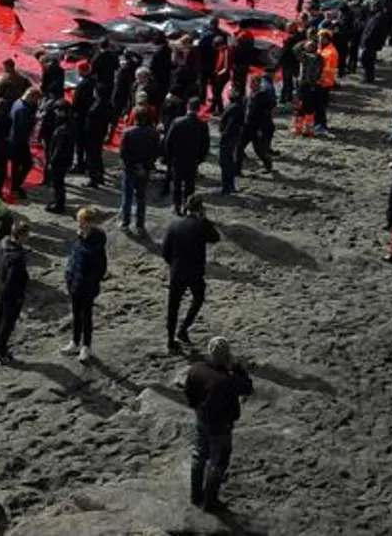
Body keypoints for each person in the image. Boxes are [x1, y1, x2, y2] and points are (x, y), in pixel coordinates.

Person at [184, 338, 253, 513]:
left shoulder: (196, 369)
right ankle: (210, 501)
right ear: (227, 356)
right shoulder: (227, 380)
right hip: (221, 425)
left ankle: (195, 495)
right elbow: (247, 387)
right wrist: (237, 367)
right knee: (218, 462)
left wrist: (198, 408)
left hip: (202, 419)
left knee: (199, 456)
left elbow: (189, 395)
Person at [162, 196, 221, 351]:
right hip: (195, 271)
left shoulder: (174, 225)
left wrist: (173, 264)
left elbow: (165, 252)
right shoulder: (201, 225)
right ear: (200, 209)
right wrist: (206, 220)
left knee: (173, 306)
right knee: (198, 298)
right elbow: (215, 237)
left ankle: (170, 340)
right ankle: (183, 328)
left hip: (177, 271)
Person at [62, 208, 108, 361]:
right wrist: (69, 276)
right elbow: (74, 258)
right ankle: (75, 342)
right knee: (76, 314)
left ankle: (86, 346)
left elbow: (100, 268)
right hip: (74, 283)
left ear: (88, 223)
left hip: (87, 287)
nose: (78, 224)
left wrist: (89, 283)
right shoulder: (80, 237)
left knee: (86, 316)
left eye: (80, 221)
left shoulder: (96, 244)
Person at [0, 219, 31, 364]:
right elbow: (14, 281)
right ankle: (2, 350)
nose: (28, 238)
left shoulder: (2, 242)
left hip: (0, 285)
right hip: (11, 293)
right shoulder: (17, 258)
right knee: (7, 322)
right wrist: (19, 296)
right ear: (20, 236)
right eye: (26, 236)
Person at [118, 107, 161, 233]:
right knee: (141, 197)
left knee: (127, 197)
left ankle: (125, 223)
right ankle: (140, 225)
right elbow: (155, 152)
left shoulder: (127, 132)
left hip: (130, 169)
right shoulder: (154, 133)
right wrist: (145, 166)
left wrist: (133, 165)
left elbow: (123, 154)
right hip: (144, 170)